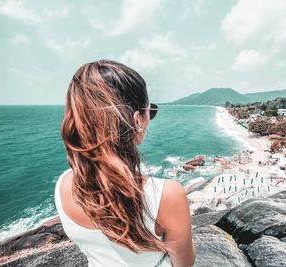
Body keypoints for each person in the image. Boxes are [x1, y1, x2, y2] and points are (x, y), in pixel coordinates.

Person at [56, 59, 196, 267]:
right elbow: (184, 263)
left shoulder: (63, 185)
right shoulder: (167, 195)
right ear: (137, 119)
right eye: (151, 111)